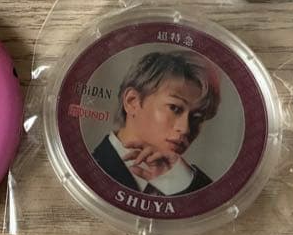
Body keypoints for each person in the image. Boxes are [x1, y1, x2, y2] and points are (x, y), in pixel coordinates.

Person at [92, 50, 220, 195]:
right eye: (174, 108)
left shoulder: (188, 180)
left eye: (197, 117)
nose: (185, 129)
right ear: (132, 102)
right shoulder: (89, 171)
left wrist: (184, 181)